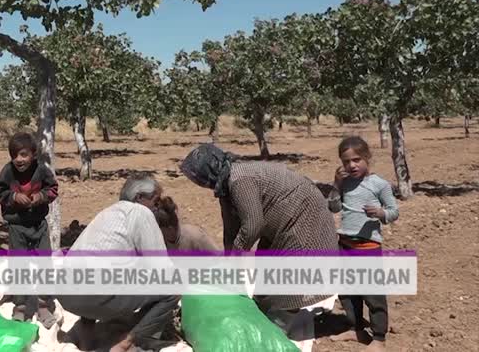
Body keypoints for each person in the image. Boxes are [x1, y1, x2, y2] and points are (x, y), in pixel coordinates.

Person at [179, 144, 339, 347]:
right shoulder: (225, 184)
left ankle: (276, 329)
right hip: (279, 224)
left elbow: (253, 224)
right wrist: (230, 262)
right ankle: (263, 314)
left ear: (207, 171)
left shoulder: (239, 179)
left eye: (196, 178)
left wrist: (237, 252)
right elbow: (231, 227)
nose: (197, 183)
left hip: (303, 218)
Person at [59, 174, 179, 352]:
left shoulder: (107, 212)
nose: (156, 207)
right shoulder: (140, 212)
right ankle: (126, 344)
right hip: (95, 296)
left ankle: (86, 341)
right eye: (155, 201)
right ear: (139, 197)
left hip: (66, 295)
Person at [328, 136, 398, 351]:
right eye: (346, 161)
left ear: (367, 157)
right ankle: (356, 328)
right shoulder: (345, 183)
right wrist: (336, 184)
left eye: (357, 160)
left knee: (373, 293)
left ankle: (378, 338)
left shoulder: (379, 185)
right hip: (345, 244)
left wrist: (380, 213)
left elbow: (394, 212)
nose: (352, 165)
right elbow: (333, 207)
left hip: (367, 248)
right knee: (348, 291)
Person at [0, 132, 60, 328]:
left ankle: (43, 305)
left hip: (38, 224)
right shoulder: (8, 171)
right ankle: (20, 307)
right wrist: (13, 197)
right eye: (14, 155)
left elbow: (53, 188)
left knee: (44, 264)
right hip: (17, 226)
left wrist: (41, 197)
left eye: (23, 155)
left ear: (34, 154)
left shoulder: (42, 170)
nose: (19, 160)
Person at [153, 194, 219, 253]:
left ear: (170, 229)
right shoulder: (160, 243)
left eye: (158, 230)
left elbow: (219, 260)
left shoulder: (195, 237)